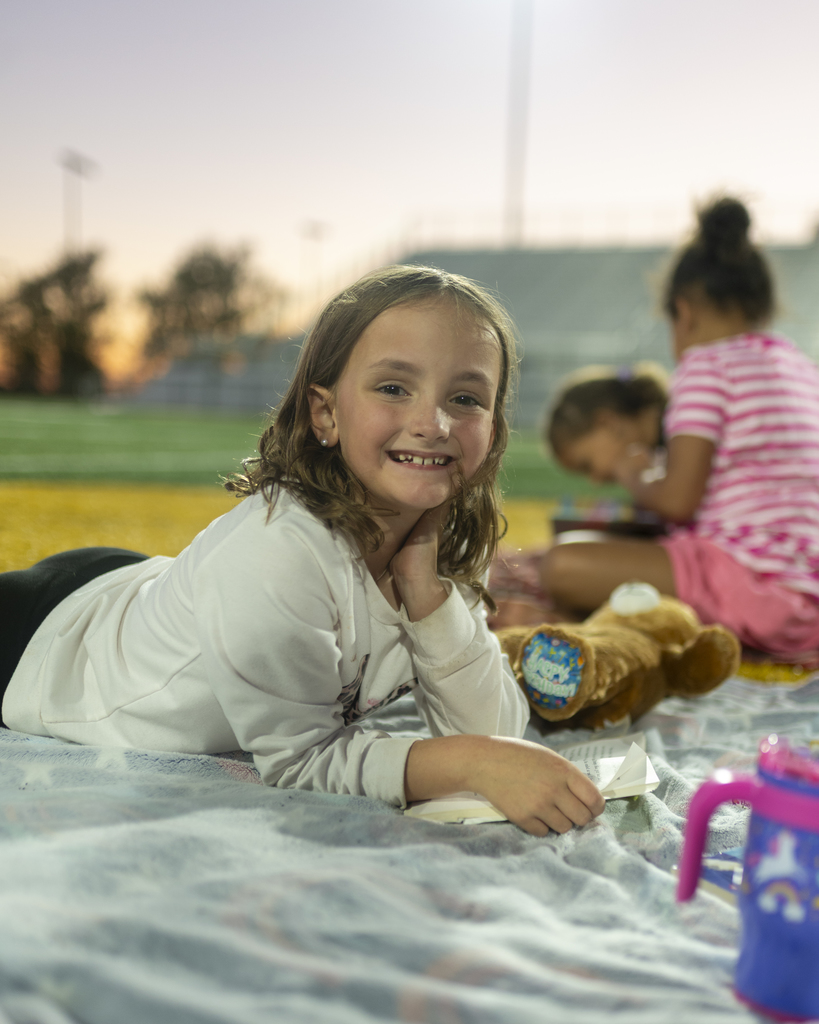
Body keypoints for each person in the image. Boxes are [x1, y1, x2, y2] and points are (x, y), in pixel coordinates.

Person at [0, 264, 604, 837]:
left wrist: (426, 595)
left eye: (467, 398)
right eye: (394, 388)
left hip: (140, 590)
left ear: (494, 430)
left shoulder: (436, 537)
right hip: (42, 644)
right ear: (325, 412)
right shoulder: (276, 552)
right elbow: (299, 763)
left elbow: (496, 735)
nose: (435, 422)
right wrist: (465, 765)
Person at [542, 197, 819, 656]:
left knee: (561, 564)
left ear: (683, 312)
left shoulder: (705, 366)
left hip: (756, 586)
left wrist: (635, 478)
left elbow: (678, 500)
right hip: (809, 591)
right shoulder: (801, 366)